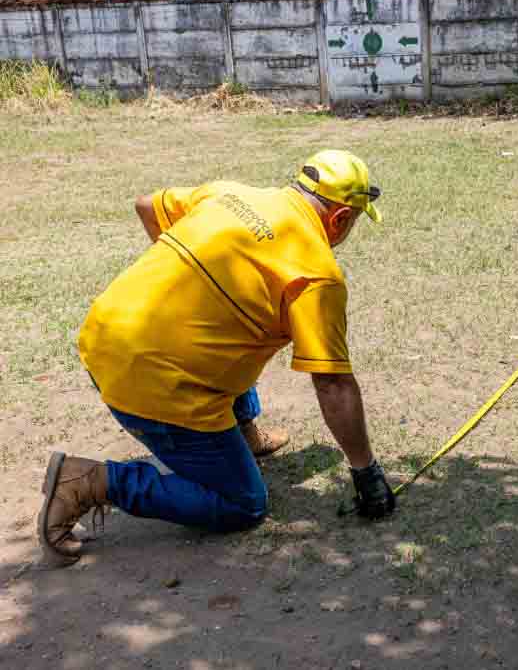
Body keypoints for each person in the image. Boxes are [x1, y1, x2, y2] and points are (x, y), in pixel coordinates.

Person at [38, 150, 396, 565]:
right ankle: (91, 481)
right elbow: (332, 383)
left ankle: (242, 433)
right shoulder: (317, 275)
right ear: (340, 220)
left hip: (100, 337)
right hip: (150, 385)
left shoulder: (230, 193)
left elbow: (145, 204)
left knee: (239, 322)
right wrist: (365, 472)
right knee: (243, 503)